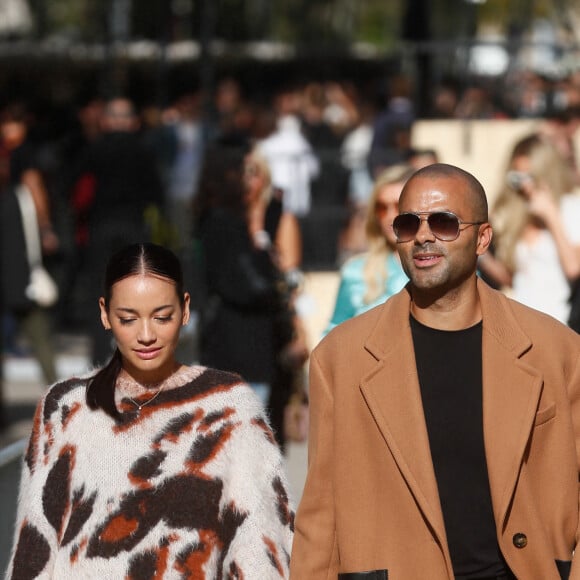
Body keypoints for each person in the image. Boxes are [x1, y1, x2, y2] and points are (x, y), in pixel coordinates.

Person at [290, 163, 580, 579]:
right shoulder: (341, 358)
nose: (423, 236)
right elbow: (320, 514)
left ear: (483, 238)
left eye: (444, 223)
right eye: (408, 225)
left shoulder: (557, 350)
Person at [6, 242, 294, 579]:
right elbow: (34, 547)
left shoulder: (229, 407)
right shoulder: (65, 408)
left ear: (185, 309)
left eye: (162, 317)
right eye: (128, 319)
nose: (146, 335)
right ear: (104, 313)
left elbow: (261, 546)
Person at [482, 133, 580, 324]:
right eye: (516, 178)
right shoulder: (518, 213)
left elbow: (574, 269)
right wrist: (480, 254)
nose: (524, 185)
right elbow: (512, 279)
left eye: (530, 177)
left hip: (558, 323)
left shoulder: (571, 207)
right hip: (520, 321)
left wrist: (551, 216)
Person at [325, 163, 414, 334]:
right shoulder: (355, 272)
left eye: (398, 206)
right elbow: (332, 336)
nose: (390, 216)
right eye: (382, 208)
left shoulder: (444, 267)